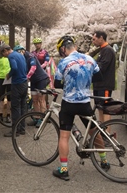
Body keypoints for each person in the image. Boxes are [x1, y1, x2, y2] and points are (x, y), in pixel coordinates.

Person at [53, 35, 108, 181]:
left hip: (68, 103)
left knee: (64, 136)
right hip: (84, 103)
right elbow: (98, 78)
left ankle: (64, 170)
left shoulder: (64, 62)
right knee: (95, 133)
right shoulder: (89, 59)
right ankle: (104, 161)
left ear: (64, 48)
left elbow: (57, 84)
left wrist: (69, 83)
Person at [0, 44, 28, 137]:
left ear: (5, 50)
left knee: (15, 107)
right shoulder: (20, 55)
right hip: (24, 83)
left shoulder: (11, 56)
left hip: (17, 84)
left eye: (3, 53)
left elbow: (14, 68)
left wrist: (9, 74)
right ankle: (22, 129)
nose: (4, 56)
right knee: (23, 106)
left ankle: (15, 130)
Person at [91, 31, 116, 131]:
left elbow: (102, 67)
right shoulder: (101, 50)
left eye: (94, 39)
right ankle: (101, 132)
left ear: (101, 38)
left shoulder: (108, 50)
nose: (93, 41)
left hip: (104, 85)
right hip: (98, 84)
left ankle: (107, 134)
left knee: (105, 109)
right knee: (100, 108)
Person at [0, 40, 11, 123]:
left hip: (9, 77)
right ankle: (0, 115)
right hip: (1, 78)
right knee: (1, 97)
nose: (0, 49)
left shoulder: (9, 55)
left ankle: (8, 115)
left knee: (10, 97)